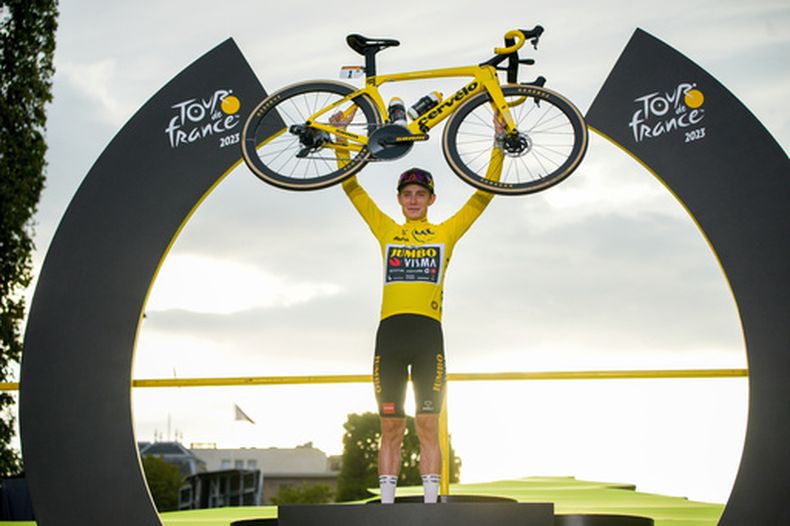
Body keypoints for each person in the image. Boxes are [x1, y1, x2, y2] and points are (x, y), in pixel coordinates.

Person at [334, 110, 504, 504]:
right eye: (407, 194)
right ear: (399, 199)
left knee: (429, 422)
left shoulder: (446, 232)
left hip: (428, 335)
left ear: (431, 199)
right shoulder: (387, 230)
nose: (413, 200)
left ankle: (431, 507)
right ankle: (388, 506)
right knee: (390, 425)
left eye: (420, 194)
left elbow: (484, 193)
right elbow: (352, 187)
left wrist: (498, 145)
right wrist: (342, 139)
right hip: (390, 335)